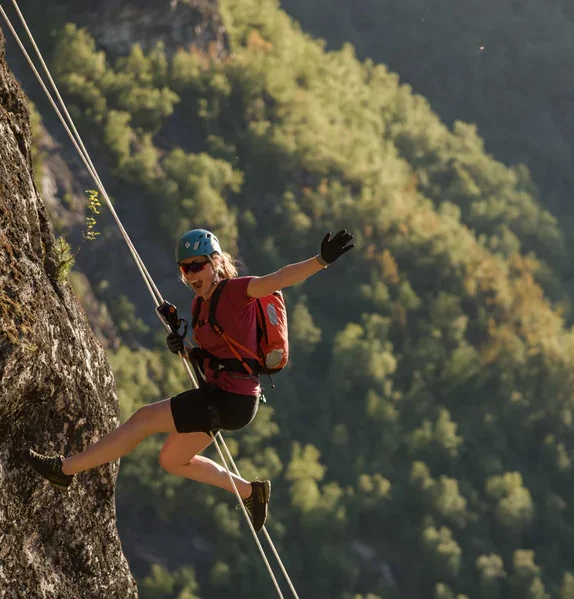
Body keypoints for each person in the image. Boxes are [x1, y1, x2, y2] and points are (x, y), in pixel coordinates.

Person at [25, 226, 354, 531]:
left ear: (215, 262)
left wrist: (321, 260)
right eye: (185, 268)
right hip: (221, 395)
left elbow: (280, 278)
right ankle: (250, 491)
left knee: (144, 419)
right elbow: (209, 358)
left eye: (197, 265)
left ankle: (64, 470)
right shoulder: (199, 306)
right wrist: (182, 344)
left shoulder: (238, 291)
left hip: (233, 399)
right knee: (171, 460)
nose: (191, 274)